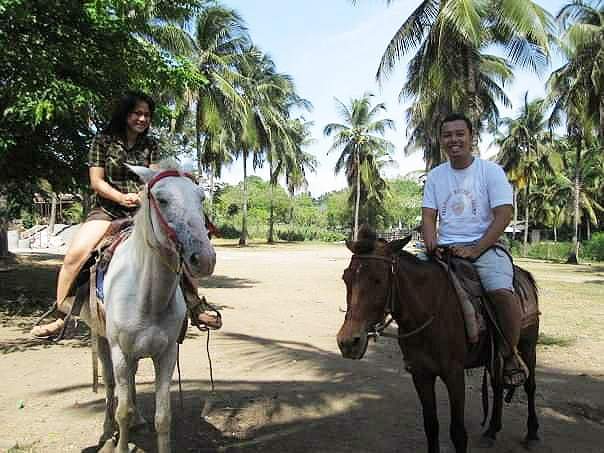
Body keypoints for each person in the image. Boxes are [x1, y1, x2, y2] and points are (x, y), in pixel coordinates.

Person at [31, 91, 221, 338]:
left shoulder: (150, 145)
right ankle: (60, 313)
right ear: (126, 114)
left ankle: (195, 305)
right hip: (107, 210)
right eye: (137, 113)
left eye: (147, 115)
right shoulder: (103, 141)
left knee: (175, 247)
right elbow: (96, 181)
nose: (142, 119)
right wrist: (120, 197)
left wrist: (147, 194)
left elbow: (153, 178)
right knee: (74, 256)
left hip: (141, 212)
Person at [421, 113, 528, 387]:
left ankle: (509, 355)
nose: (453, 139)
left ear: (471, 137)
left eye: (460, 133)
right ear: (441, 140)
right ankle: (417, 351)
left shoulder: (489, 171)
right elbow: (429, 217)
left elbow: (504, 214)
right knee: (406, 283)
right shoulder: (435, 176)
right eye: (448, 135)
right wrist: (431, 242)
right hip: (444, 248)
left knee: (502, 293)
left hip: (486, 246)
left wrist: (476, 249)